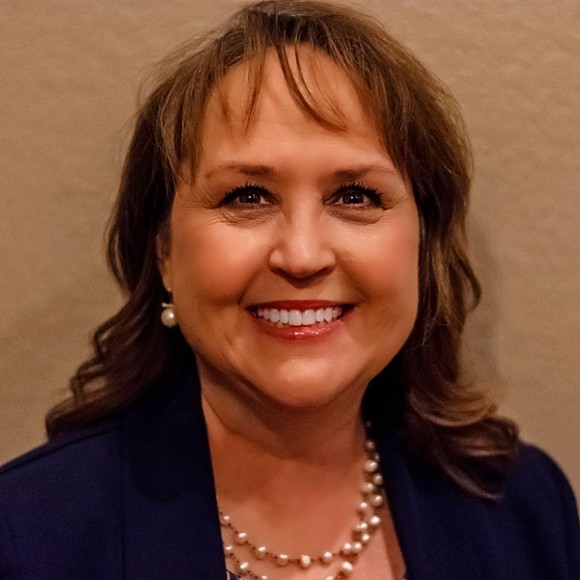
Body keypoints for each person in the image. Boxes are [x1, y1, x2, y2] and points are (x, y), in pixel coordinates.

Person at [0, 1, 578, 578]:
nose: (302, 256)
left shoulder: (526, 510)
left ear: (423, 248)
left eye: (355, 196)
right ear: (165, 254)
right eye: (247, 196)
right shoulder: (25, 535)